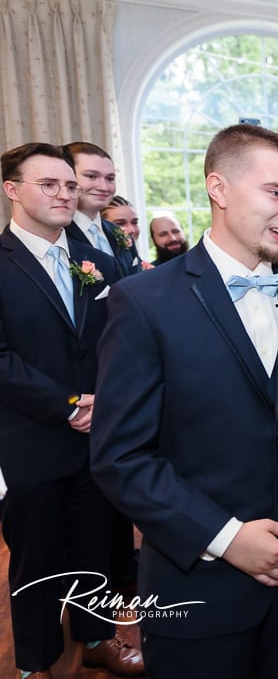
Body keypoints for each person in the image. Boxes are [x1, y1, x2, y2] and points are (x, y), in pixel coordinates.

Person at [89, 124, 278, 679]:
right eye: (275, 193)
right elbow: (121, 458)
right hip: (199, 583)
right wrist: (226, 538)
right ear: (219, 188)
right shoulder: (145, 302)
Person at [1, 142, 142, 678]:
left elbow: (123, 342)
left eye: (68, 185)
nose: (64, 194)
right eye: (49, 184)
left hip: (98, 432)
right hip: (31, 436)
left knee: (94, 544)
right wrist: (67, 405)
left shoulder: (99, 264)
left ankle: (98, 636)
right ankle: (34, 665)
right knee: (35, 556)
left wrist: (106, 401)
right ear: (12, 190)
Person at [64, 142, 144, 277]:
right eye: (91, 176)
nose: (104, 187)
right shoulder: (57, 234)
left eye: (110, 178)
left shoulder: (118, 233)